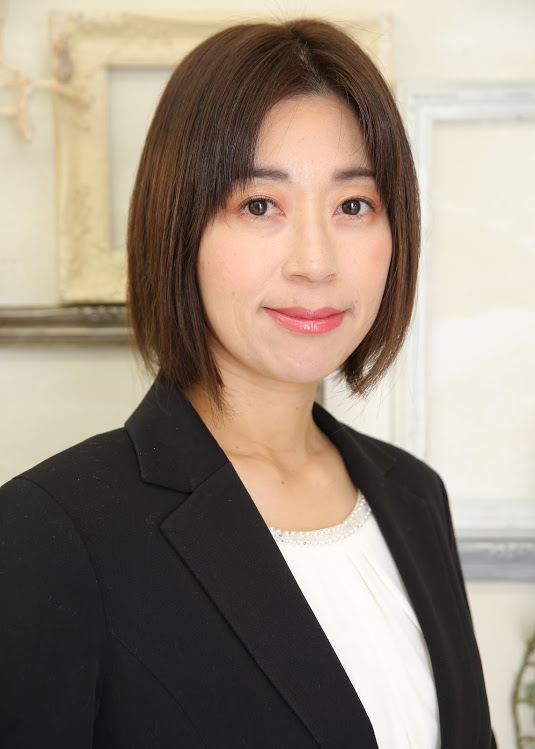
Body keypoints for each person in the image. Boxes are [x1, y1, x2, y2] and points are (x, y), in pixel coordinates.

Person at [0, 18, 495, 749]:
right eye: (260, 205)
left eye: (353, 205)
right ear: (179, 227)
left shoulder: (415, 496)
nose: (315, 262)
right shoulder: (52, 531)